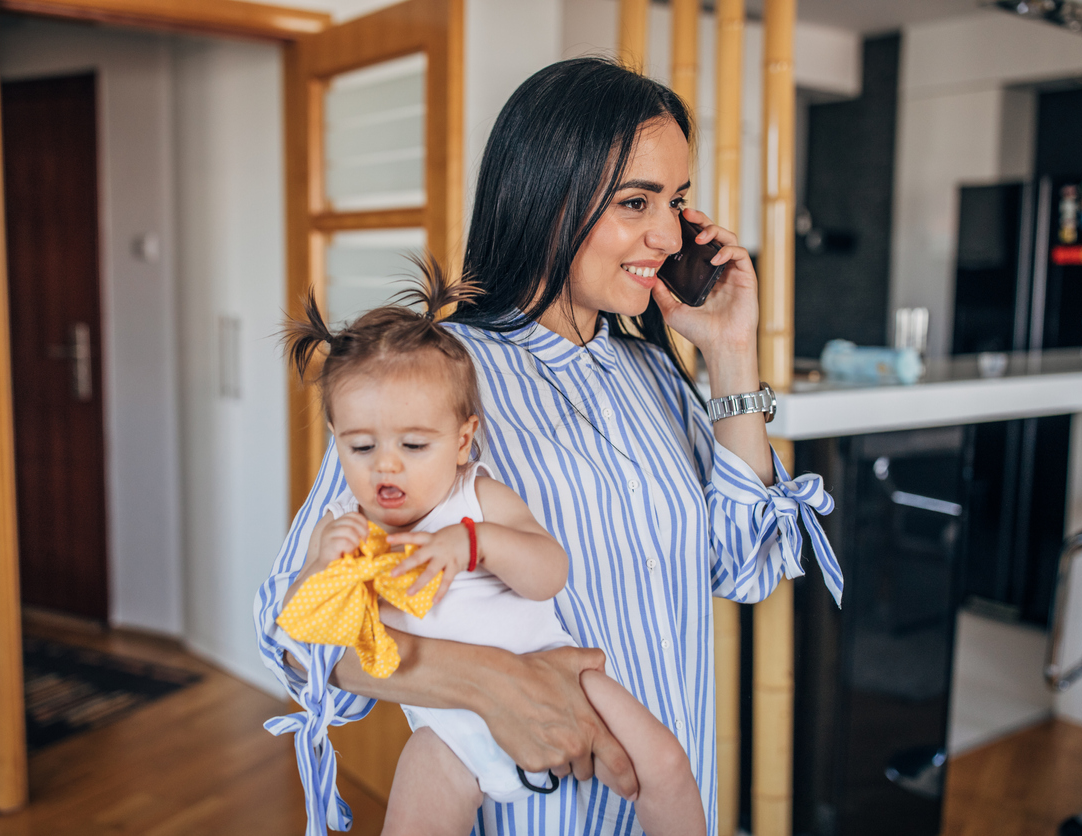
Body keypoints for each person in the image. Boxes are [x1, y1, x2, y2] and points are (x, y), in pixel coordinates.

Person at [257, 57, 842, 836]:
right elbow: (295, 630)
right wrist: (487, 683)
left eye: (677, 201)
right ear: (547, 195)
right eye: (636, 201)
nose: (668, 235)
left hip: (675, 796)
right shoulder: (438, 379)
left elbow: (746, 566)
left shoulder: (651, 375)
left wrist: (733, 355)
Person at [274, 259, 707, 835]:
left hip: (565, 678)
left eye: (412, 443)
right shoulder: (341, 525)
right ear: (337, 440)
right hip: (448, 728)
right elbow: (301, 635)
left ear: (462, 439)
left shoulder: (475, 497)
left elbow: (549, 573)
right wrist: (324, 564)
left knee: (667, 765)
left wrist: (476, 545)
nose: (386, 464)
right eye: (360, 446)